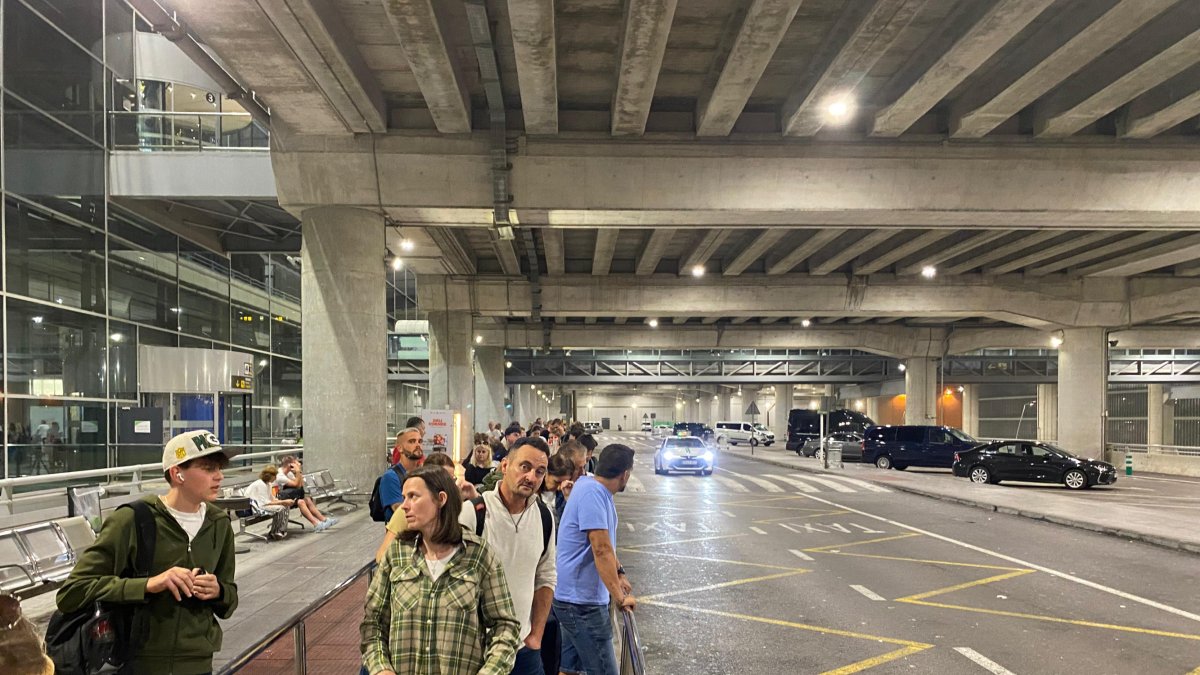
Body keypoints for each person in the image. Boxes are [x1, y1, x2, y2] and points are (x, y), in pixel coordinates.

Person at [56, 430, 240, 675]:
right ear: (178, 473)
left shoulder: (219, 523)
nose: (219, 476)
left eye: (219, 468)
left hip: (199, 664)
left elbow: (229, 601)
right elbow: (72, 592)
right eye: (208, 468)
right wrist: (148, 584)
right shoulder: (132, 520)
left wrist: (218, 591)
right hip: (138, 664)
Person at [361, 466, 521, 675]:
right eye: (404, 497)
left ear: (441, 499)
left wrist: (490, 671)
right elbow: (373, 623)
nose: (404, 506)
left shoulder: (477, 555)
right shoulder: (397, 554)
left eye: (413, 497)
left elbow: (505, 626)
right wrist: (381, 669)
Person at [459, 441, 556, 675]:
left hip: (524, 650)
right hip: (477, 653)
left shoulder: (544, 516)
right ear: (505, 465)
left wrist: (536, 635)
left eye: (539, 472)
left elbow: (546, 576)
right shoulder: (473, 514)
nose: (531, 477)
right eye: (525, 466)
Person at [552, 444, 637, 675]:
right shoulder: (593, 494)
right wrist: (620, 598)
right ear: (625, 474)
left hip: (571, 598)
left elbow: (605, 546)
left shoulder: (590, 487)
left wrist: (619, 572)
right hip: (582, 604)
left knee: (569, 669)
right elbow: (600, 549)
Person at [275, 455, 337, 531]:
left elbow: (300, 485)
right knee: (301, 502)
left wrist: (299, 472)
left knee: (307, 499)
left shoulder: (289, 473)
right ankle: (316, 524)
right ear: (290, 465)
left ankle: (324, 520)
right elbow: (296, 485)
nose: (297, 464)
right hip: (277, 499)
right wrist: (298, 471)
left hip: (286, 496)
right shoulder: (280, 475)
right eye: (295, 463)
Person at [379, 427, 423, 523]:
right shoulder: (391, 477)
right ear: (400, 448)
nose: (417, 445)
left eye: (420, 441)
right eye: (412, 441)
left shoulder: (424, 473)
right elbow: (400, 511)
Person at [241, 465, 294, 540]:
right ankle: (275, 532)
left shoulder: (268, 484)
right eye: (274, 476)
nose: (275, 478)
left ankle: (280, 530)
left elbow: (272, 499)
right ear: (269, 476)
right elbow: (264, 502)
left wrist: (284, 502)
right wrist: (283, 501)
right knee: (280, 509)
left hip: (262, 504)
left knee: (285, 506)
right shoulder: (260, 484)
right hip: (254, 507)